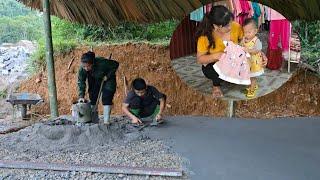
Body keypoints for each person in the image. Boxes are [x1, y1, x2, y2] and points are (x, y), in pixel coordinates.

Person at [196, 5, 267, 98]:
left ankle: (231, 77)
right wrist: (216, 56)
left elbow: (248, 43)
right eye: (227, 25)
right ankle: (216, 86)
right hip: (216, 63)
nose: (231, 26)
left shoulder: (235, 26)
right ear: (216, 26)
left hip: (234, 61)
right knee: (209, 70)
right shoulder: (204, 36)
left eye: (230, 22)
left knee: (249, 61)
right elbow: (200, 59)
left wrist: (260, 53)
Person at [77, 51, 119, 124]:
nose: (86, 68)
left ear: (93, 63)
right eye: (84, 66)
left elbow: (115, 64)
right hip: (94, 79)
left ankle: (106, 121)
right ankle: (94, 120)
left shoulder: (102, 63)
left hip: (107, 79)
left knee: (107, 98)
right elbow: (81, 82)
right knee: (93, 97)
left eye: (88, 66)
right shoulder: (82, 69)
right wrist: (81, 96)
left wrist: (108, 76)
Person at [241, 18, 265, 98]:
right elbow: (242, 45)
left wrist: (248, 50)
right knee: (249, 76)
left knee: (253, 77)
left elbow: (257, 50)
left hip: (254, 63)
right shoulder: (245, 39)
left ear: (255, 31)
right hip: (248, 62)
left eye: (249, 32)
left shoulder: (256, 40)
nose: (246, 34)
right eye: (245, 32)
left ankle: (252, 89)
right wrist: (242, 43)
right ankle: (253, 86)